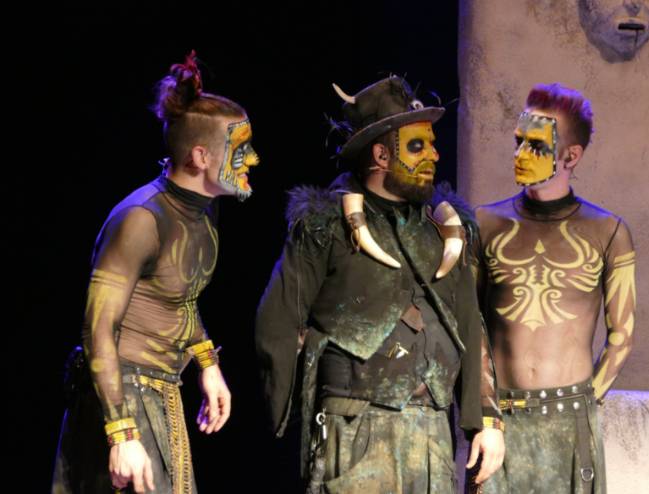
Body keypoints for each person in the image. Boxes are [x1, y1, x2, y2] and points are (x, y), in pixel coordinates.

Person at [255, 75, 505, 494]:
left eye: (432, 144)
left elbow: (468, 322)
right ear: (381, 154)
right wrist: (305, 399)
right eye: (417, 146)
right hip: (355, 426)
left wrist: (487, 418)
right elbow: (278, 321)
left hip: (431, 433)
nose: (434, 155)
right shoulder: (327, 226)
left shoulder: (443, 232)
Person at [52, 51, 259, 494]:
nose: (253, 160)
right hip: (119, 395)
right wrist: (122, 434)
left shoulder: (203, 212)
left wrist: (208, 363)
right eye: (240, 150)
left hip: (161, 391)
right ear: (201, 156)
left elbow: (179, 296)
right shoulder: (141, 219)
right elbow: (98, 327)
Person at [477, 83, 636, 493]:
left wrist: (584, 406)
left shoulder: (608, 231)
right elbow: (470, 328)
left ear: (571, 155)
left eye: (534, 145)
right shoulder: (485, 224)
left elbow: (622, 336)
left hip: (572, 422)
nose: (519, 153)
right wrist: (487, 415)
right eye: (518, 141)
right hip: (500, 423)